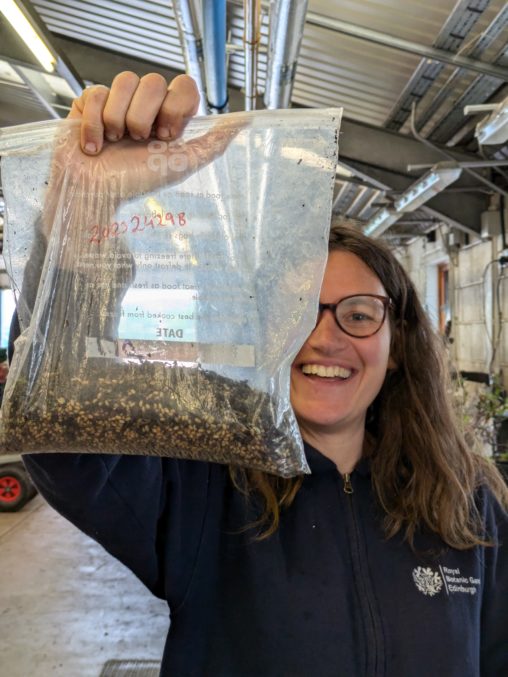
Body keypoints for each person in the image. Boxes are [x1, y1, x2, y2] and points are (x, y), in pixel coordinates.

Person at [13, 73, 508, 676]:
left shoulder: (466, 501)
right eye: (297, 310)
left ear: (396, 344)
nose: (325, 337)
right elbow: (55, 420)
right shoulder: (204, 489)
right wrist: (84, 211)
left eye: (358, 314)